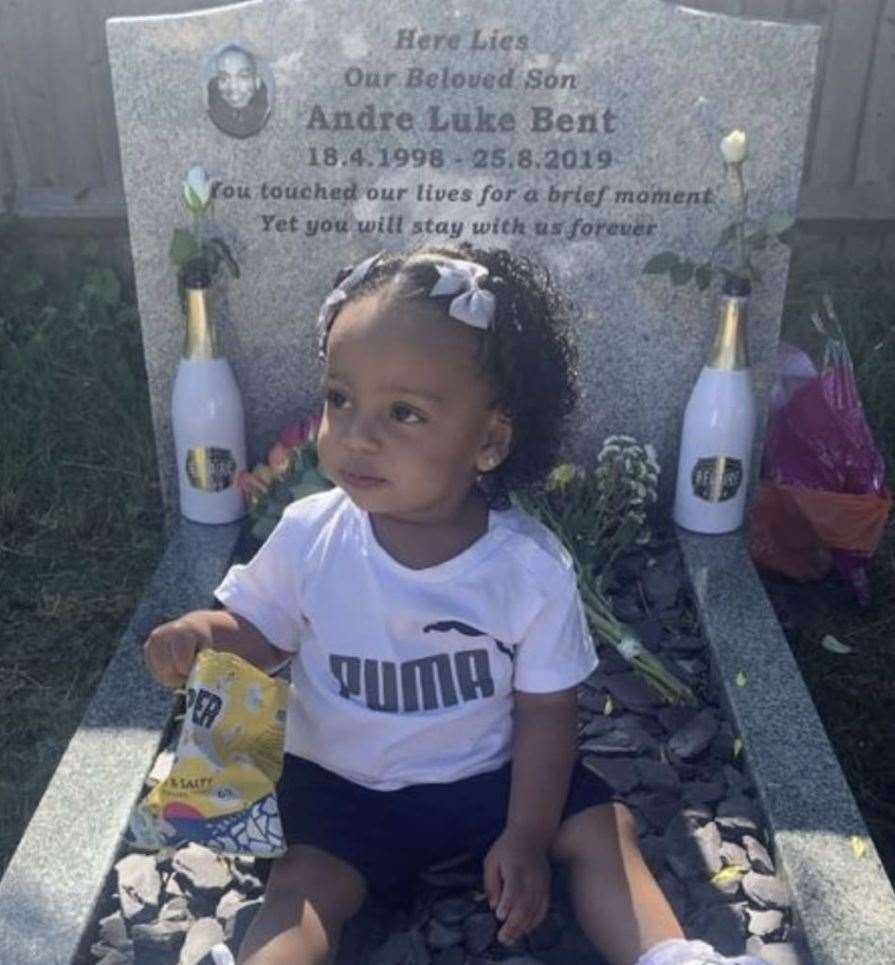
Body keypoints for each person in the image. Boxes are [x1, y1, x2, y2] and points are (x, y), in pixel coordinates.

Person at [144, 245, 768, 965]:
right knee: (303, 885)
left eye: (402, 412)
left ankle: (667, 954)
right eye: (339, 398)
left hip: (490, 788)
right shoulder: (311, 535)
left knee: (601, 826)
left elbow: (544, 712)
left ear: (490, 438)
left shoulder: (527, 569)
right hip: (344, 794)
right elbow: (257, 630)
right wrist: (202, 634)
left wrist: (527, 834)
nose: (356, 433)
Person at [206, 44, 271, 139]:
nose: (233, 87)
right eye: (224, 78)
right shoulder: (214, 112)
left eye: (243, 77)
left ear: (257, 81)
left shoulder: (262, 112)